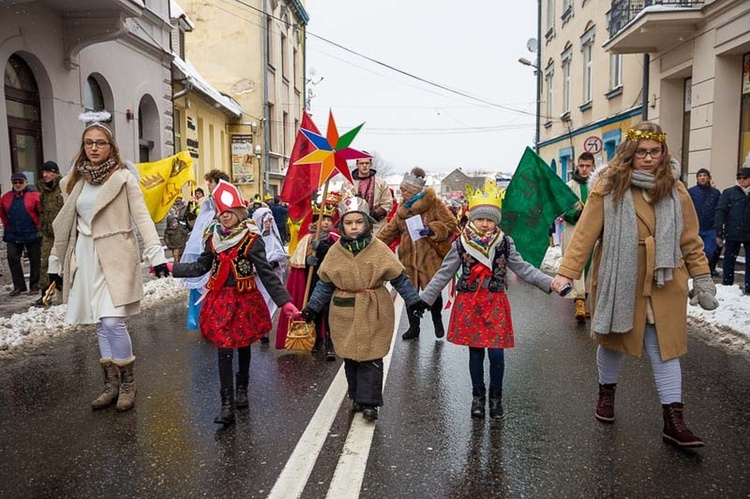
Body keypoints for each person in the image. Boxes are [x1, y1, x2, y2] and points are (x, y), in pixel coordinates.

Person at [551, 122, 718, 448]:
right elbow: (585, 234)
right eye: (641, 152)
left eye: (654, 152)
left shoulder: (677, 189)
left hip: (665, 277)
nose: (648, 158)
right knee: (612, 343)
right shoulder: (609, 186)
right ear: (629, 153)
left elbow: (690, 240)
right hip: (620, 278)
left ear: (662, 153)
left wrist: (703, 279)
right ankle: (606, 396)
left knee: (666, 351)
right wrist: (567, 272)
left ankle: (674, 421)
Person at [49, 119, 170, 412]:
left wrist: (156, 255)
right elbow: (67, 226)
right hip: (86, 257)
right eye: (89, 142)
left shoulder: (124, 178)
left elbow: (142, 218)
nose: (93, 148)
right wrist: (56, 262)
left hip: (116, 256)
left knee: (113, 321)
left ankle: (128, 383)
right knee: (100, 324)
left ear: (111, 147)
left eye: (100, 143)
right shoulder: (74, 181)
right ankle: (110, 384)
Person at [414, 180, 562, 420]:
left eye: (490, 219)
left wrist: (550, 282)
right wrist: (425, 299)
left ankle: (496, 398)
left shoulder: (504, 243)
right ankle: (477, 398)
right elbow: (445, 272)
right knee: (476, 353)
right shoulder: (461, 244)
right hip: (469, 302)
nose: (485, 224)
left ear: (496, 221)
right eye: (480, 219)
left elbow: (523, 268)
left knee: (496, 353)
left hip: (494, 302)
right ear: (471, 219)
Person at [172, 180, 299, 426]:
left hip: (244, 300)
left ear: (240, 213)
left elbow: (266, 273)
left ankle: (242, 388)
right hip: (220, 300)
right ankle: (227, 404)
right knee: (223, 350)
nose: (225, 217)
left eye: (229, 213)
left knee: (242, 347)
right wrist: (172, 268)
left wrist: (285, 302)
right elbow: (201, 266)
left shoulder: (252, 239)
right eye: (221, 213)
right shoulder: (213, 238)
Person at [301, 194, 421, 422]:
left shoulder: (379, 249)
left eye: (358, 222)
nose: (354, 227)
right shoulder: (335, 251)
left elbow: (399, 277)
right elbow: (325, 284)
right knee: (350, 357)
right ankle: (356, 396)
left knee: (371, 356)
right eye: (349, 222)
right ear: (342, 224)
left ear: (367, 223)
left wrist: (412, 301)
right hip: (343, 310)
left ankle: (371, 403)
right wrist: (312, 308)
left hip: (374, 308)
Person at [378, 167, 459, 340]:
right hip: (407, 259)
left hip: (429, 258)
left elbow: (452, 225)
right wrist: (372, 245)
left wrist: (431, 229)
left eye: (405, 191)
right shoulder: (402, 210)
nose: (402, 194)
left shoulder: (435, 204)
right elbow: (390, 231)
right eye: (402, 190)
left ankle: (437, 319)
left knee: (433, 291)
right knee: (410, 294)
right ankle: (414, 327)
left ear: (414, 191)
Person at [277, 192, 341, 360]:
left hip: (331, 281)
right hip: (313, 280)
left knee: (329, 313)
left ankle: (330, 344)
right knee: (316, 311)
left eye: (328, 219)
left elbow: (339, 258)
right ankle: (317, 339)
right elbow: (298, 263)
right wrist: (307, 260)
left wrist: (323, 248)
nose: (325, 222)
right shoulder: (307, 239)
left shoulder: (336, 239)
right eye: (322, 219)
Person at [180, 170, 230, 330]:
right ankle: (206, 322)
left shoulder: (227, 202)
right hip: (204, 252)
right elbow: (199, 225)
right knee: (202, 290)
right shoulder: (208, 202)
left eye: (211, 182)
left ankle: (219, 321)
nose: (208, 185)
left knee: (218, 290)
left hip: (221, 254)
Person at [561, 152, 595, 323]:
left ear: (593, 166)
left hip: (594, 233)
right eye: (581, 166)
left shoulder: (598, 186)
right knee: (577, 266)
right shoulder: (569, 187)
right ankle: (579, 302)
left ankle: (585, 300)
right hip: (574, 231)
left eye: (587, 166)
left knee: (592, 267)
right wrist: (577, 213)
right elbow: (563, 211)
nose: (584, 169)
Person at [252, 205, 289, 344]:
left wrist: (270, 265)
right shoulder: (253, 239)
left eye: (269, 221)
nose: (268, 224)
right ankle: (258, 328)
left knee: (269, 303)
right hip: (257, 279)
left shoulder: (274, 239)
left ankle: (265, 330)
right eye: (265, 221)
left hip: (270, 277)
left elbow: (281, 257)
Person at [0, 172, 41, 296]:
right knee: (12, 258)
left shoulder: (35, 196)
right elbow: (3, 214)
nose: (17, 184)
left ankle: (34, 285)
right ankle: (19, 286)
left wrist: (39, 228)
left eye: (20, 182)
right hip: (13, 233)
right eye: (15, 182)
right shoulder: (6, 198)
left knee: (35, 260)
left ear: (26, 182)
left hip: (32, 232)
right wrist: (7, 227)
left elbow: (40, 213)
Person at [714, 166, 750, 295]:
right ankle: (727, 285)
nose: (741, 180)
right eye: (739, 178)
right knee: (729, 259)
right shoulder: (729, 192)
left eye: (744, 178)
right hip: (732, 231)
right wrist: (719, 228)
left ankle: (749, 288)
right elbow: (720, 210)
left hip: (748, 232)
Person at [35, 161, 64, 303]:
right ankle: (45, 294)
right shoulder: (43, 192)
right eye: (43, 172)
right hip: (48, 234)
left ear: (55, 173)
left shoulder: (64, 187)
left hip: (63, 233)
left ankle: (66, 290)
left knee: (64, 263)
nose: (45, 175)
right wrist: (41, 231)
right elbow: (42, 212)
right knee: (45, 262)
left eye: (48, 172)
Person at [349, 156, 393, 234]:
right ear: (357, 164)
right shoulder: (348, 183)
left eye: (367, 163)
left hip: (377, 228)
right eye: (362, 163)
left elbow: (388, 203)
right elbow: (343, 202)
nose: (364, 165)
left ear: (371, 164)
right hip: (354, 227)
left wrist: (375, 214)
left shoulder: (381, 183)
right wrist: (353, 202)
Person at [688, 168, 721, 265]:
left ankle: (706, 269)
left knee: (709, 251)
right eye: (700, 176)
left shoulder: (715, 193)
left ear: (709, 178)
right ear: (697, 178)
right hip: (694, 227)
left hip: (710, 227)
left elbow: (719, 209)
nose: (702, 178)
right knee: (694, 251)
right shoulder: (691, 191)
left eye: (704, 175)